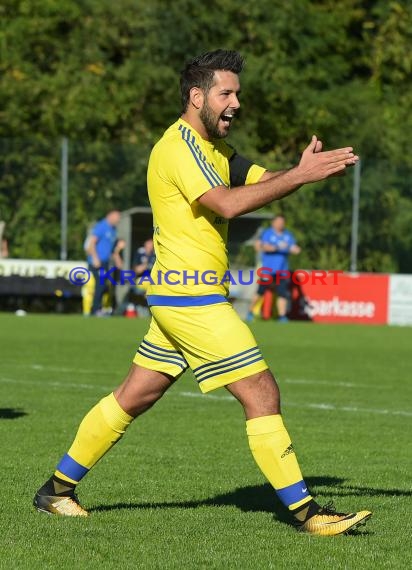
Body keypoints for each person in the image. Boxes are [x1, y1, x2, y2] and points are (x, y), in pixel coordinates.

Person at [33, 49, 371, 535]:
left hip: (177, 298)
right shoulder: (178, 147)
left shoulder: (214, 149)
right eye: (226, 93)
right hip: (192, 300)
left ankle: (56, 491)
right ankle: (308, 514)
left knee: (133, 395)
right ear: (197, 96)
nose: (236, 102)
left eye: (238, 93)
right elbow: (228, 205)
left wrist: (300, 171)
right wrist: (299, 176)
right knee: (261, 392)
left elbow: (259, 181)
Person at [246, 215, 301, 322]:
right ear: (273, 223)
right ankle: (250, 312)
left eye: (282, 222)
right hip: (268, 270)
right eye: (278, 222)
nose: (280, 224)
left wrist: (292, 249)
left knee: (282, 293)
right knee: (260, 292)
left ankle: (282, 316)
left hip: (282, 271)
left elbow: (295, 249)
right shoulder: (268, 233)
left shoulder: (288, 235)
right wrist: (280, 247)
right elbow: (265, 247)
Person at [85, 210, 121, 315]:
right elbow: (91, 243)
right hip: (96, 262)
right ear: (110, 216)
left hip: (104, 263)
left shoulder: (113, 229)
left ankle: (98, 308)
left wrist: (116, 258)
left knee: (104, 285)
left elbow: (111, 248)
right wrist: (95, 258)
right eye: (117, 218)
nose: (118, 220)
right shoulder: (102, 226)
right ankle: (95, 309)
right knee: (100, 285)